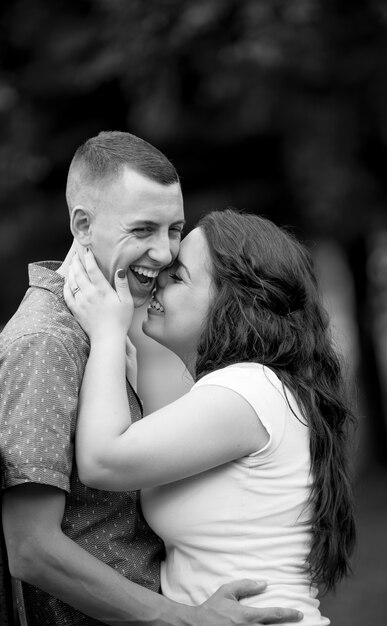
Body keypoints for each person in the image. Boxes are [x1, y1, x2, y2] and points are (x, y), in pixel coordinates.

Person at [0, 132, 302, 625]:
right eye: (143, 230)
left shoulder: (107, 332)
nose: (163, 254)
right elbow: (31, 547)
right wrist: (178, 618)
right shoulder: (49, 341)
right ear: (82, 225)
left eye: (174, 229)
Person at [64, 208, 357, 625]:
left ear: (233, 303)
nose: (158, 278)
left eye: (178, 275)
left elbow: (102, 461)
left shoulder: (250, 389)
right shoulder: (255, 392)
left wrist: (109, 333)